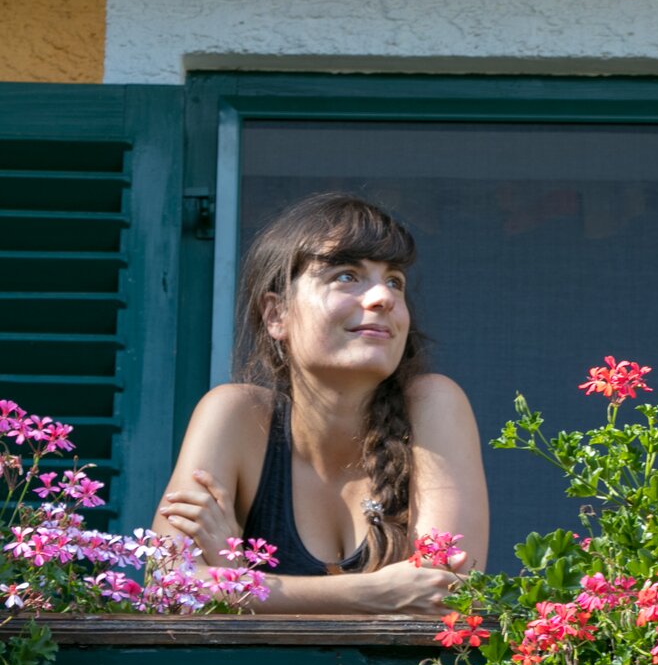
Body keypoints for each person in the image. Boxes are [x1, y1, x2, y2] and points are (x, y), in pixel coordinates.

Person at [152, 193, 489, 613]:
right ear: (277, 315)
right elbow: (167, 590)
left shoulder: (434, 405)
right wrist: (375, 592)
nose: (382, 298)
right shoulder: (235, 415)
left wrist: (237, 577)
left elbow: (445, 597)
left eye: (394, 281)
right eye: (347, 276)